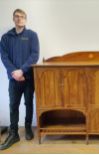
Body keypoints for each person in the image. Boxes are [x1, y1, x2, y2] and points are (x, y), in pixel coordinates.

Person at [0, 9, 39, 150]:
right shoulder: (5, 38)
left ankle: (28, 128)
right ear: (13, 18)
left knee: (28, 103)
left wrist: (22, 70)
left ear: (25, 19)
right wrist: (14, 73)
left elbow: (34, 55)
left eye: (22, 17)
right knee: (13, 106)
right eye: (17, 16)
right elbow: (4, 57)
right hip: (13, 79)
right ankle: (13, 133)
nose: (19, 19)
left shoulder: (32, 36)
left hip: (28, 78)